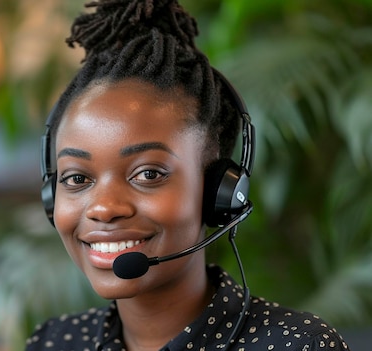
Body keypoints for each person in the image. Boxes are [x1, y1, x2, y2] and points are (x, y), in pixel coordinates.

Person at [26, 1, 350, 350]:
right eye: (77, 179)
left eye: (147, 173)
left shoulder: (298, 346)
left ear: (218, 193)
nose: (104, 208)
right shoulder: (55, 342)